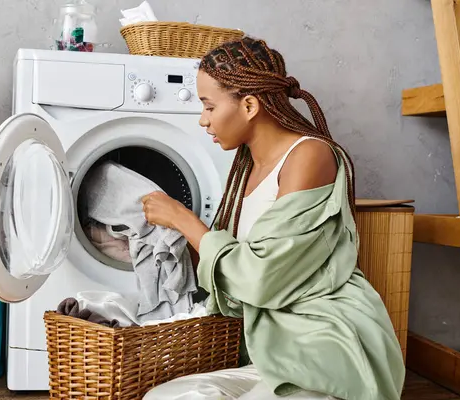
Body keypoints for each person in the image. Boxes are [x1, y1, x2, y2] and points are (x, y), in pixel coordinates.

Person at [140, 37, 405, 400]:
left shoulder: (310, 155)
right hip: (270, 351)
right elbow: (232, 278)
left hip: (325, 343)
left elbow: (262, 278)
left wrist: (184, 220)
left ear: (249, 105)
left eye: (209, 106)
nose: (203, 120)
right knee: (161, 397)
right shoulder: (245, 168)